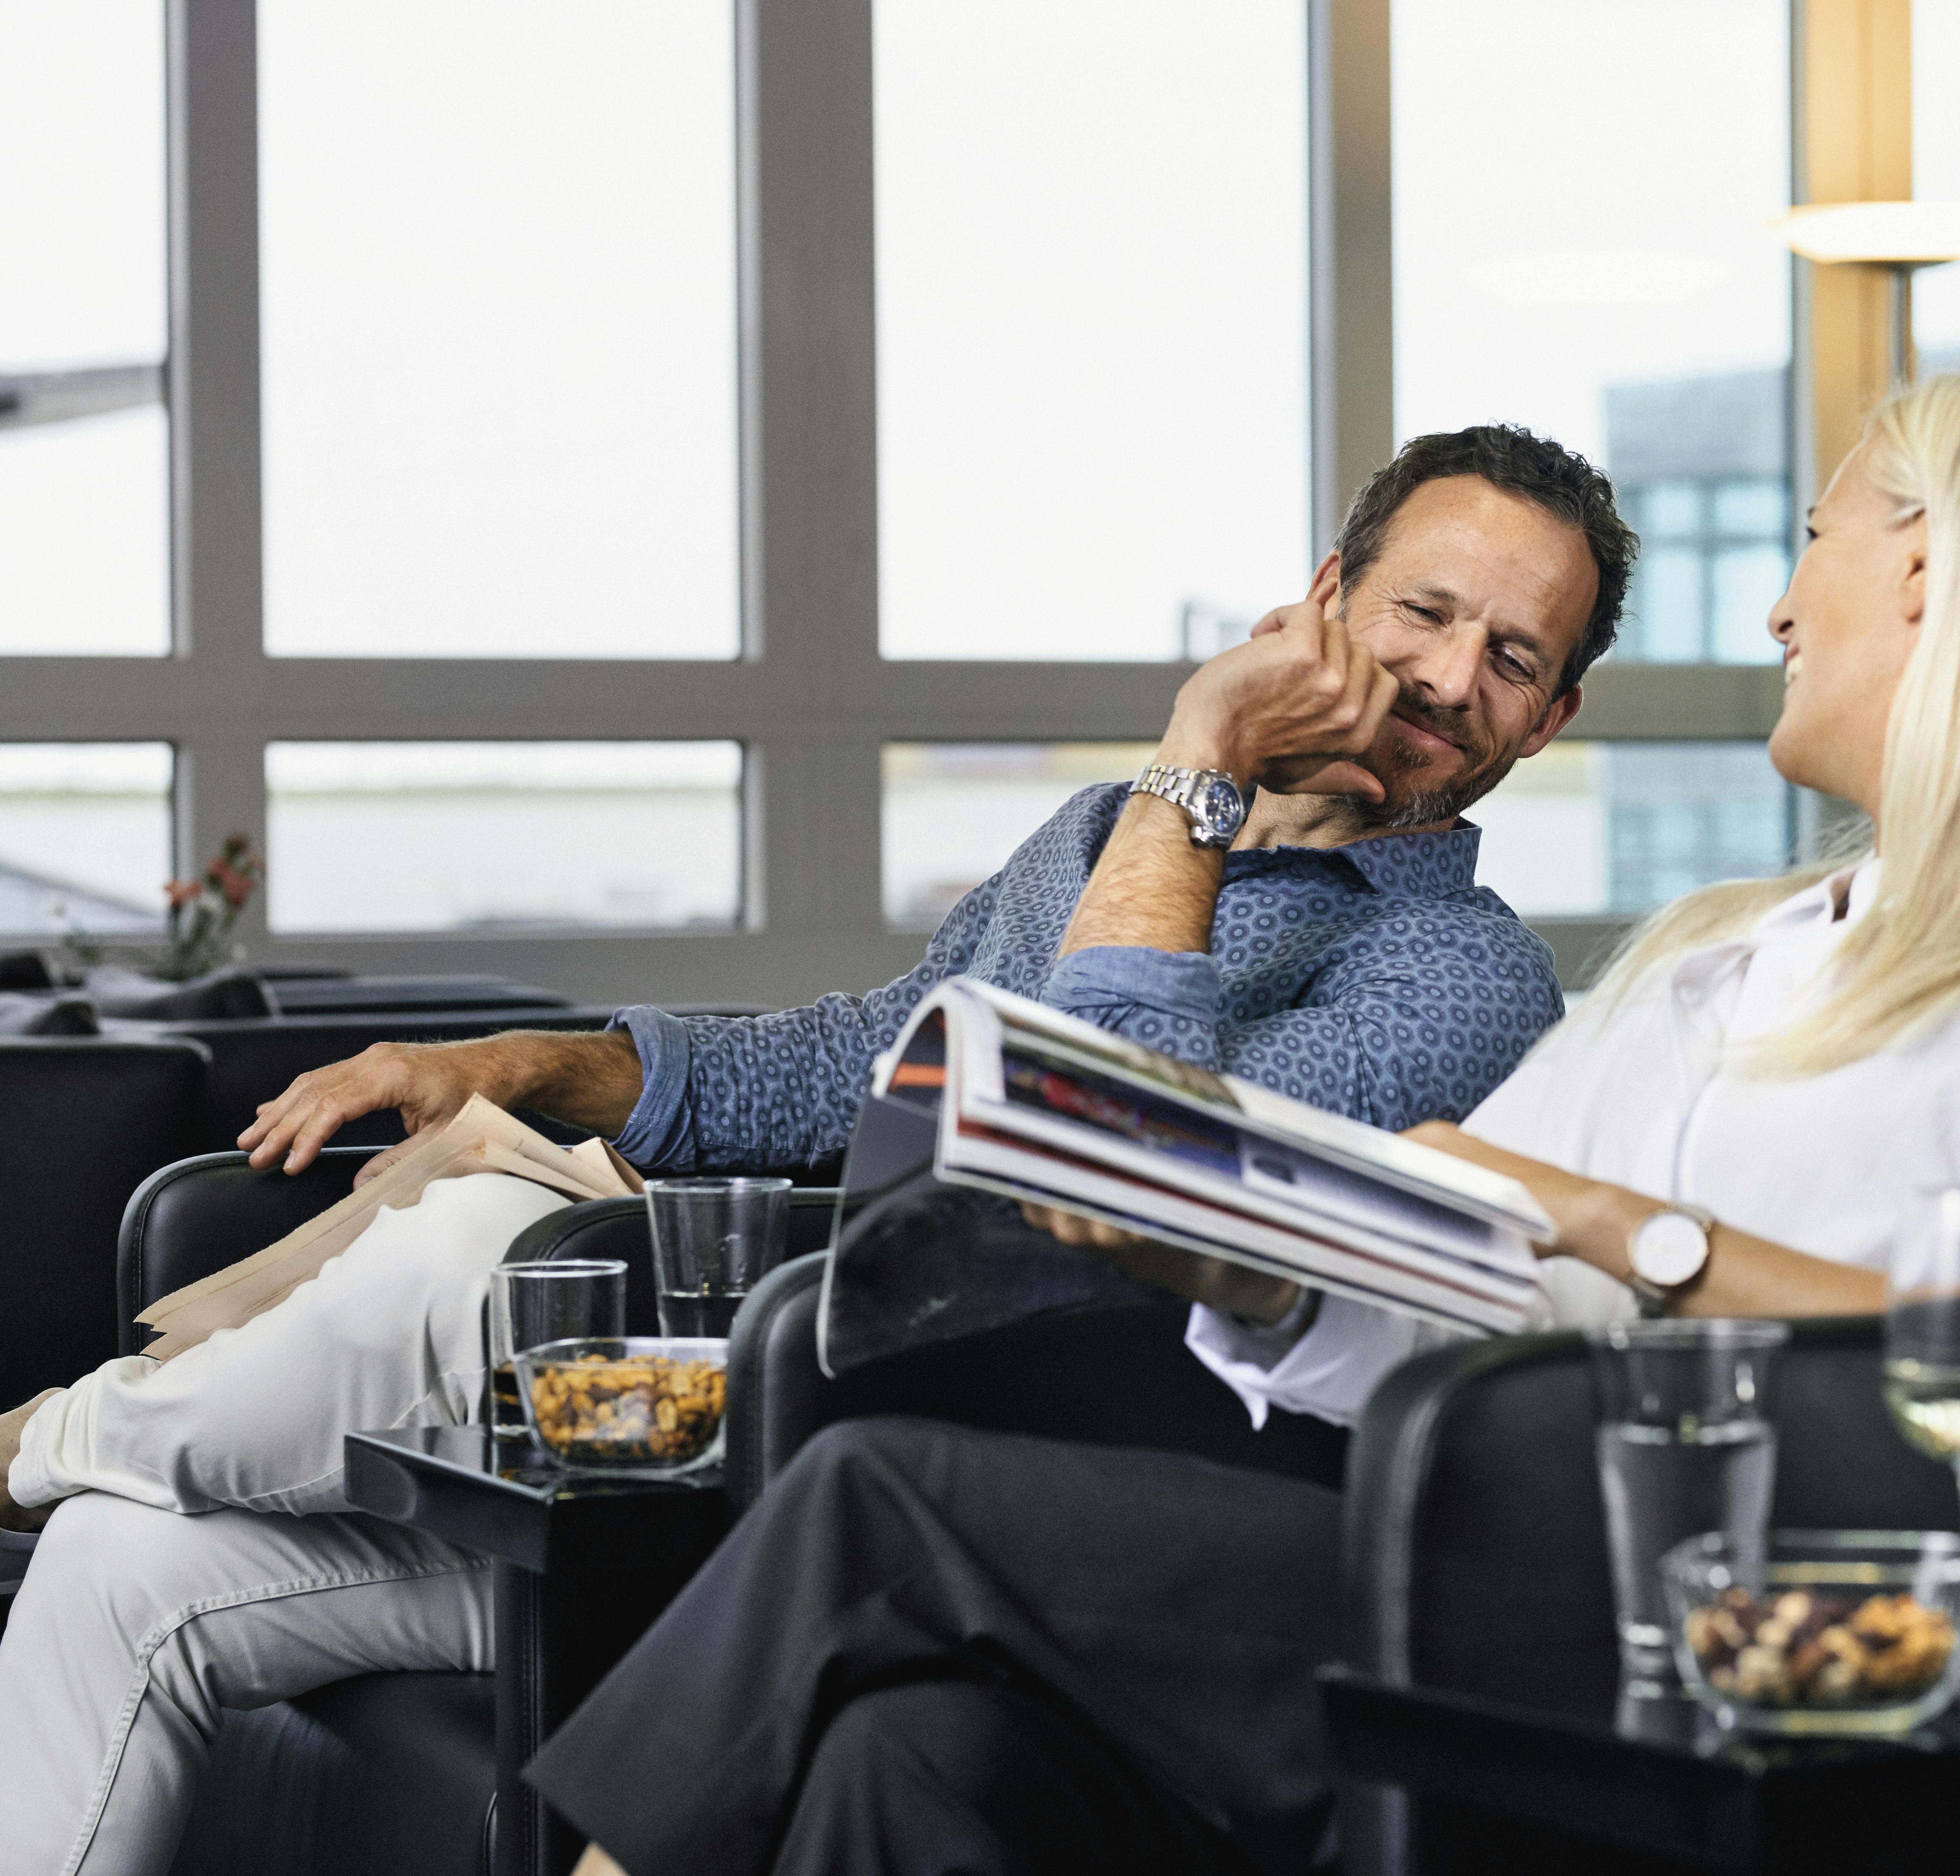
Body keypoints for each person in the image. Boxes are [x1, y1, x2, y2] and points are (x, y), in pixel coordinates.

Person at [520, 371, 1960, 1876]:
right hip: (1529, 1561)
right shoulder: (1716, 960)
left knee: (867, 1503)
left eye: (1815, 546)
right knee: (910, 1758)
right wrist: (1248, 1257)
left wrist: (1623, 1232)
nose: (1779, 609)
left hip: (1739, 1624)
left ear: (1927, 570)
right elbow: (1449, 1275)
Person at [0, 423, 1638, 1876]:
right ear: (1330, 591)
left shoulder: (1460, 969)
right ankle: (70, 1465)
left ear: (1549, 720)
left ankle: (39, 1437)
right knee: (119, 1563)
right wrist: (528, 1061)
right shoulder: (1096, 837)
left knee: (457, 1256)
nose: (1442, 678)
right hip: (752, 1429)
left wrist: (1198, 771)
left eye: (1510, 656)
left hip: (955, 1484)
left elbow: (1123, 1169)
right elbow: (859, 1055)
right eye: (1425, 611)